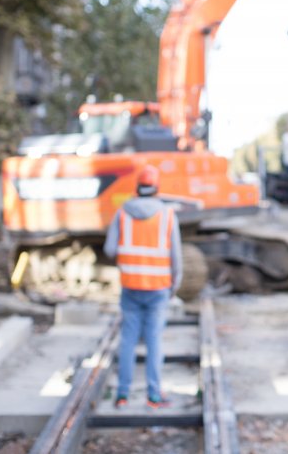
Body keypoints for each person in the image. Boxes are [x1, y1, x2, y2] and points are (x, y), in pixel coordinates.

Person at [104, 164, 183, 409]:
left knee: (127, 340)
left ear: (138, 187)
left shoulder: (122, 213)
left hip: (130, 287)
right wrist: (174, 286)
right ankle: (153, 395)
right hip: (158, 289)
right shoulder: (168, 215)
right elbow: (176, 258)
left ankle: (122, 394)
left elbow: (109, 250)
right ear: (156, 187)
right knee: (154, 341)